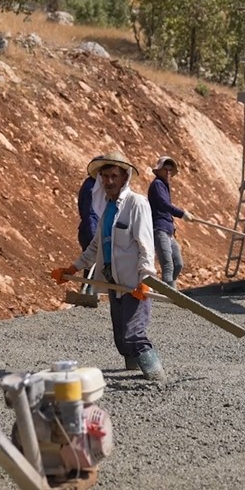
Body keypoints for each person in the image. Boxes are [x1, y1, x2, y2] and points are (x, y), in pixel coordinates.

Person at [52, 152, 165, 381]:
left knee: (135, 333)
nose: (109, 181)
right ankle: (133, 367)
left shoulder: (137, 204)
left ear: (125, 177)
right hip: (114, 283)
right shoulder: (108, 210)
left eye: (114, 176)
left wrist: (146, 280)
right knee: (121, 338)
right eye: (104, 177)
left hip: (135, 284)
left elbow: (145, 245)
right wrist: (72, 269)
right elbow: (95, 247)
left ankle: (157, 377)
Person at [147, 156, 196, 287]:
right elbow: (163, 204)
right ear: (158, 171)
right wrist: (182, 214)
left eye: (170, 170)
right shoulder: (157, 184)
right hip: (160, 229)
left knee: (178, 264)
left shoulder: (163, 185)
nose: (168, 172)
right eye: (165, 169)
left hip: (168, 230)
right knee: (168, 266)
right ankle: (169, 299)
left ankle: (166, 290)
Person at [76, 156, 104, 296]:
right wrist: (95, 237)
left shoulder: (94, 186)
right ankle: (89, 294)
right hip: (89, 230)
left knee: (90, 265)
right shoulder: (92, 188)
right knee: (93, 263)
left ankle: (87, 293)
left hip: (89, 229)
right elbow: (90, 215)